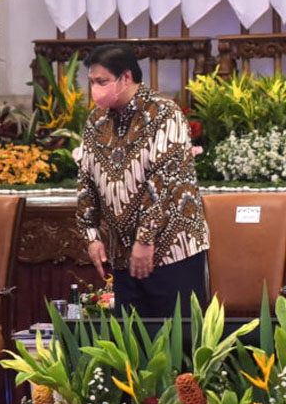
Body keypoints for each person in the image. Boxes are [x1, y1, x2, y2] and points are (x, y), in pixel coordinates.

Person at [77, 43, 209, 317]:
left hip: (174, 252)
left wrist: (146, 239)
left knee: (178, 346)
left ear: (125, 77)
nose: (95, 89)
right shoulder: (96, 120)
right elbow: (86, 179)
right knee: (133, 349)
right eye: (91, 82)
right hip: (124, 255)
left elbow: (164, 180)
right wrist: (91, 236)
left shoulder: (165, 113)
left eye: (102, 82)